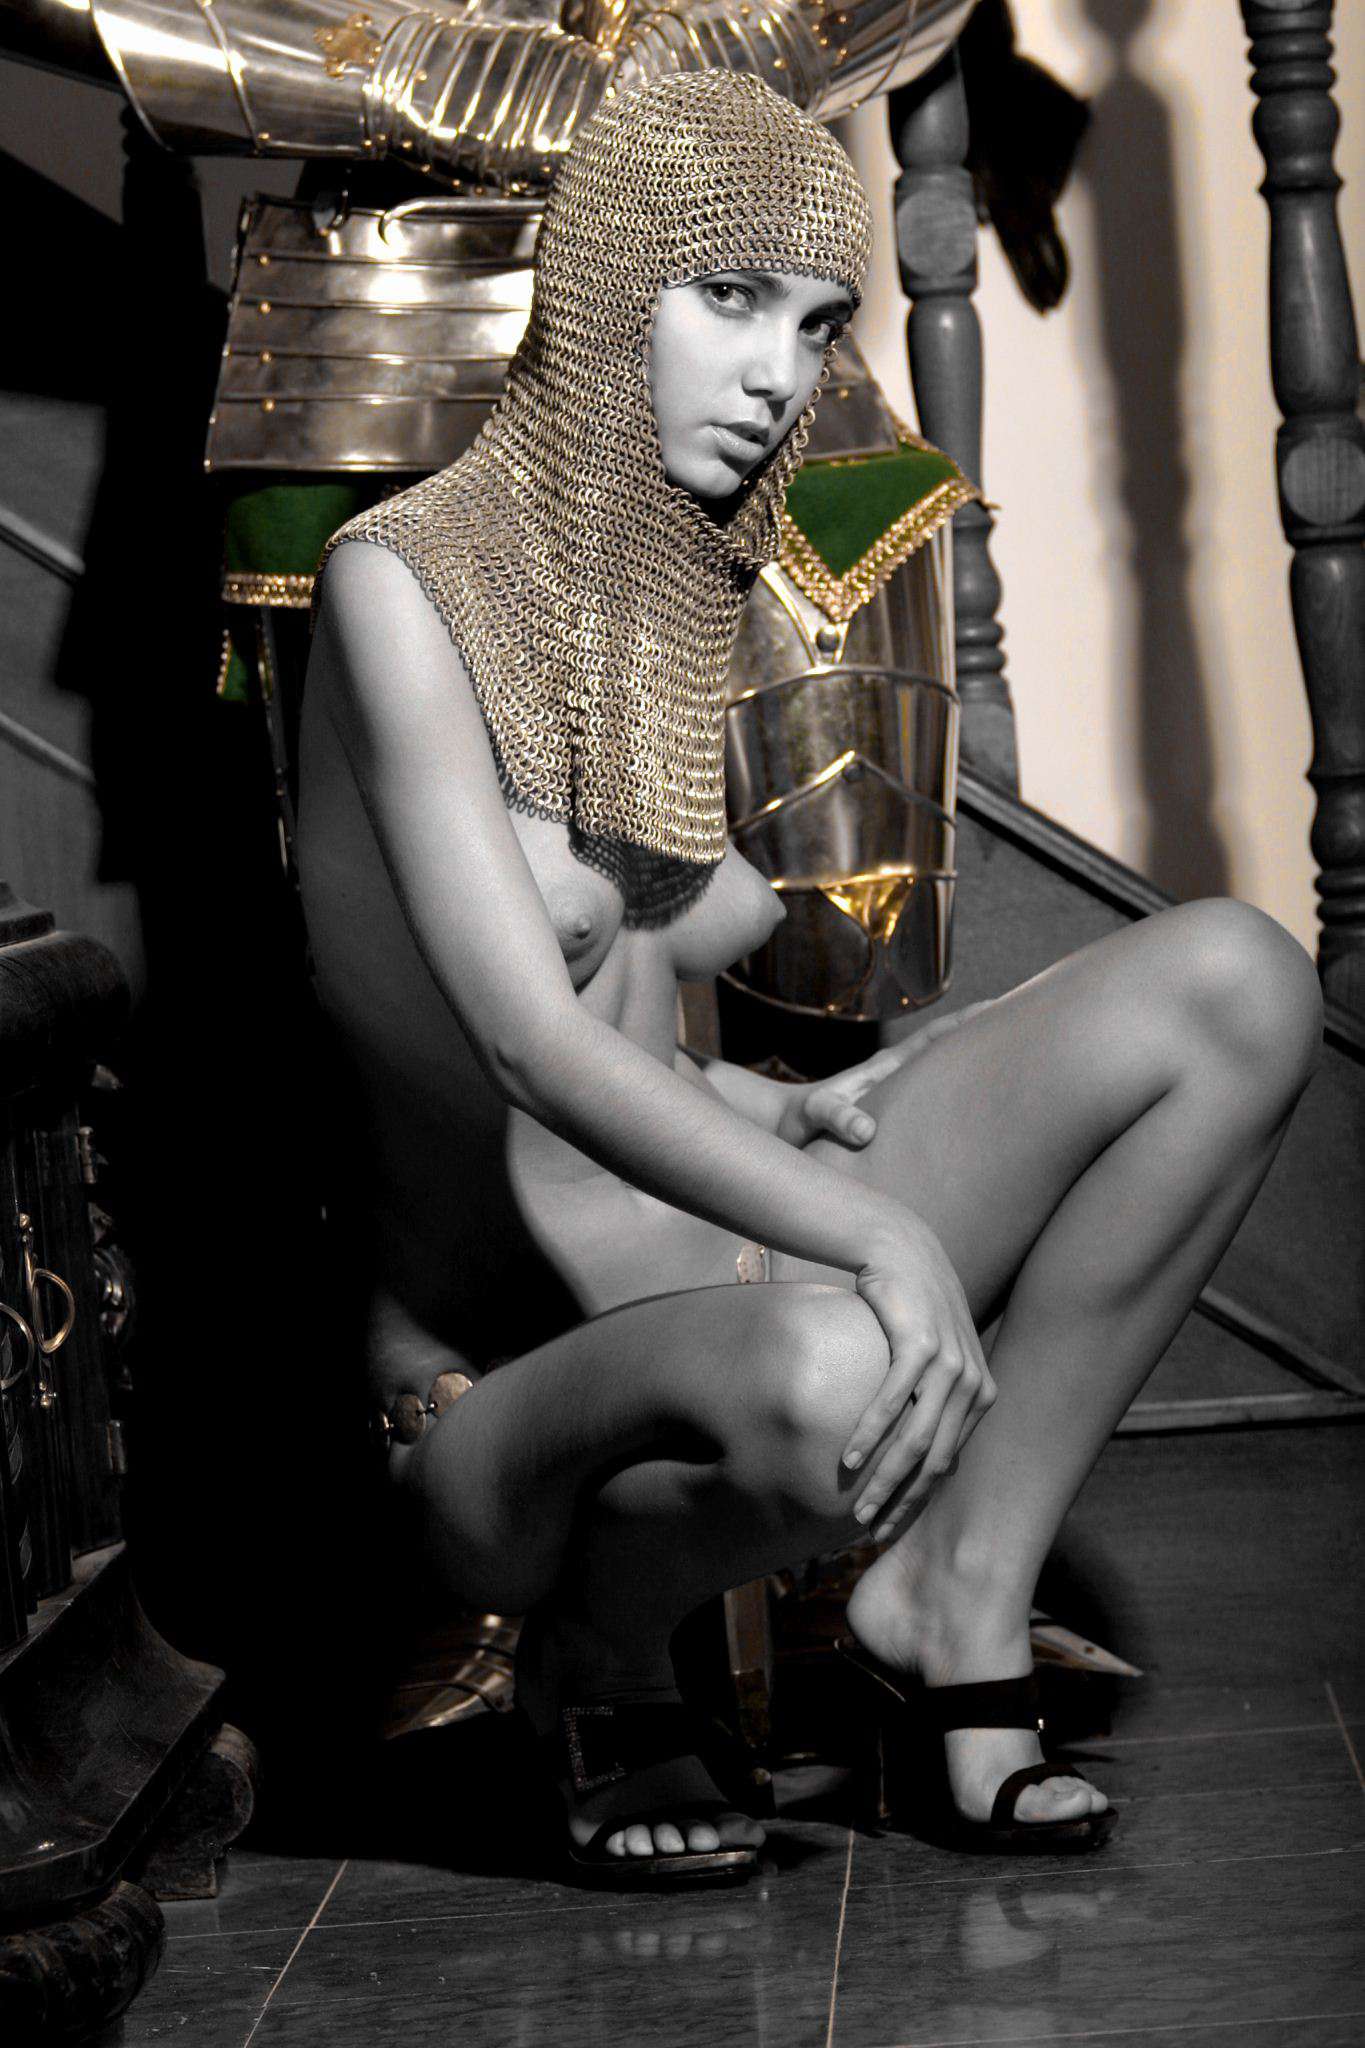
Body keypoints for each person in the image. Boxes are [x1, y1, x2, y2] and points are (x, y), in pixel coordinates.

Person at [299, 70, 1323, 1885]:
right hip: (514, 1393)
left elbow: (651, 980)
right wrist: (877, 1233)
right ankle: (603, 1645)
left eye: (817, 321)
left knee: (1237, 983)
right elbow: (527, 1046)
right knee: (855, 1358)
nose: (778, 372)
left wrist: (777, 1108)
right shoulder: (400, 585)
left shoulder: (689, 576)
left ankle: (953, 1597)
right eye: (728, 301)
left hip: (735, 1234)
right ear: (608, 284)